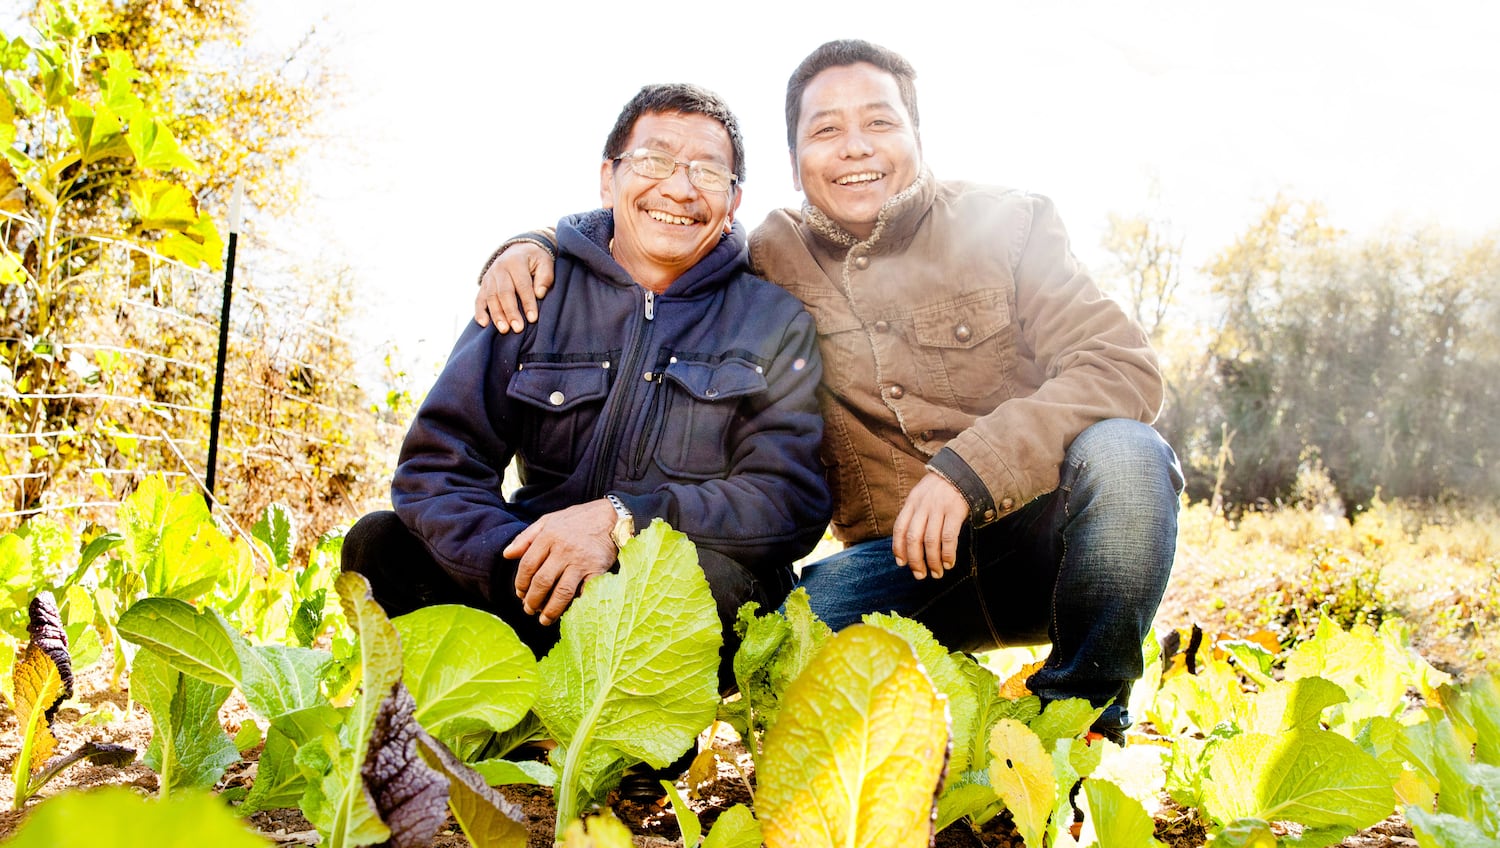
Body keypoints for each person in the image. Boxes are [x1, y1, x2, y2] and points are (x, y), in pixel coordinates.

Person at [473, 42, 1182, 743]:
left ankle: (1082, 717)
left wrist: (971, 473)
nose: (854, 148)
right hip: (900, 570)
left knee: (1127, 453)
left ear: (916, 137)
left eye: (879, 123)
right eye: (825, 130)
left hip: (1047, 538)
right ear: (794, 163)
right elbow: (667, 232)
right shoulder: (771, 258)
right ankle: (941, 706)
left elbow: (1121, 366)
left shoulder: (1014, 223)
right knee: (778, 657)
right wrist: (532, 242)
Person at [345, 83, 830, 696]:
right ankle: (488, 709)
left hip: (668, 607)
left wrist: (623, 522)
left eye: (707, 172)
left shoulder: (773, 321)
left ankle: (626, 744)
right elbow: (437, 467)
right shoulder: (530, 289)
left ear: (733, 201)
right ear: (608, 178)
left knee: (719, 584)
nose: (679, 189)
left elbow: (786, 499)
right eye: (653, 161)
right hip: (527, 586)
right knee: (380, 544)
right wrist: (521, 567)